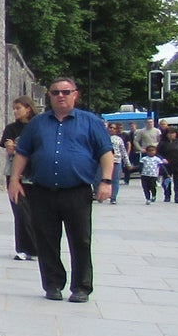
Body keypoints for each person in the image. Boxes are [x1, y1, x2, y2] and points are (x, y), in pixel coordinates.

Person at [10, 78, 114, 304]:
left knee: (81, 240)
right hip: (43, 191)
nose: (61, 96)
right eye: (56, 92)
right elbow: (22, 152)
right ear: (49, 95)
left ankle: (81, 287)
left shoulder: (90, 122)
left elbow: (106, 152)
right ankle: (53, 284)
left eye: (66, 92)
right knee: (46, 240)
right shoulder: (37, 123)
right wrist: (14, 180)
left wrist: (106, 181)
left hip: (76, 191)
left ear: (75, 94)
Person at [0, 98, 38, 261]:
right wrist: (13, 149)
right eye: (14, 108)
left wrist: (17, 148)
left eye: (19, 108)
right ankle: (24, 247)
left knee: (35, 211)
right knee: (20, 211)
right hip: (14, 173)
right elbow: (8, 148)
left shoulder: (38, 126)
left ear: (28, 109)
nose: (15, 111)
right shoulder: (11, 128)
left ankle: (38, 246)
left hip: (34, 173)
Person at [163, 126, 178, 205]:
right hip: (167, 165)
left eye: (173, 133)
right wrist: (162, 159)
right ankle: (167, 195)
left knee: (177, 181)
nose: (171, 135)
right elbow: (158, 153)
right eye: (169, 133)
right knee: (167, 180)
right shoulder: (163, 143)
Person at [107, 124, 128, 205]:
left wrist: (127, 163)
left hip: (116, 161)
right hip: (105, 161)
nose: (112, 129)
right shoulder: (103, 137)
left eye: (114, 128)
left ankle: (113, 197)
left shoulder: (119, 139)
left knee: (115, 180)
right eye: (110, 127)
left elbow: (123, 151)